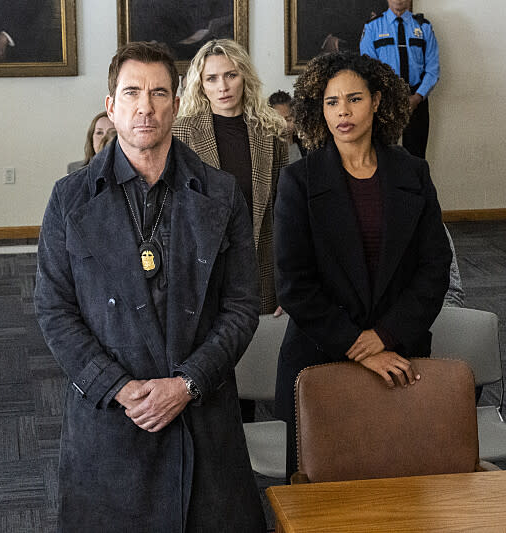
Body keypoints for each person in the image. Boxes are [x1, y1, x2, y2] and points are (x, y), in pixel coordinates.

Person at [35, 41, 265, 531]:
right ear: (110, 106)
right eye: (132, 92)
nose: (146, 106)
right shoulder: (69, 199)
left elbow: (243, 307)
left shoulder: (221, 194)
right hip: (112, 420)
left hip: (202, 413)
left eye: (159, 92)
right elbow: (55, 310)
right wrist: (117, 387)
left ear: (177, 105)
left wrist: (187, 383)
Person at [274, 51, 452, 478]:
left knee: (399, 490)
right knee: (319, 497)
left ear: (376, 101)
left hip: (399, 355)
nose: (342, 112)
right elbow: (294, 285)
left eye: (353, 99)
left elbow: (434, 269)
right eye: (332, 102)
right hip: (319, 358)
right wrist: (359, 345)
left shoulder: (414, 172)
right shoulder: (299, 181)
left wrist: (385, 336)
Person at [174, 39, 287, 316]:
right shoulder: (181, 134)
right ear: (200, 84)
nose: (222, 87)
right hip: (202, 269)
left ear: (244, 77)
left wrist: (289, 284)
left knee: (259, 354)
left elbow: (285, 212)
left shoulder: (272, 130)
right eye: (211, 78)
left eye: (230, 75)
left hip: (260, 263)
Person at [360, 0, 439, 159]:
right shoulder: (373, 27)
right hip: (384, 100)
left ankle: (414, 185)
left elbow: (433, 69)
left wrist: (416, 98)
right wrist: (387, 97)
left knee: (416, 158)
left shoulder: (423, 26)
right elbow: (368, 68)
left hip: (416, 99)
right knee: (382, 157)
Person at [268, 89, 306, 164]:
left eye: (288, 119)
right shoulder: (268, 149)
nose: (285, 125)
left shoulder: (305, 143)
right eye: (279, 121)